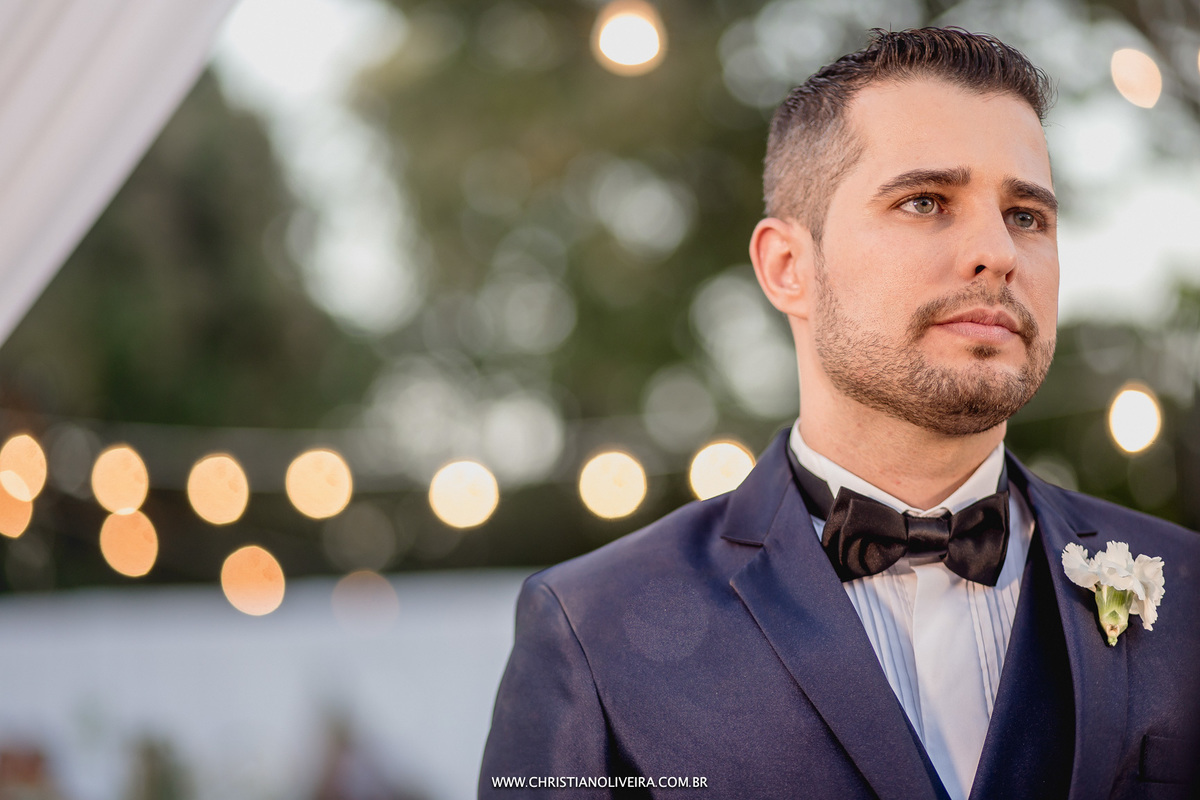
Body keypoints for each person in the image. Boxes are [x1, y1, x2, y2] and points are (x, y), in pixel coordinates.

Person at [478, 27, 1200, 799]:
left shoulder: (1189, 596)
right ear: (788, 267)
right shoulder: (593, 629)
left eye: (1027, 215)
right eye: (925, 202)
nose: (998, 251)